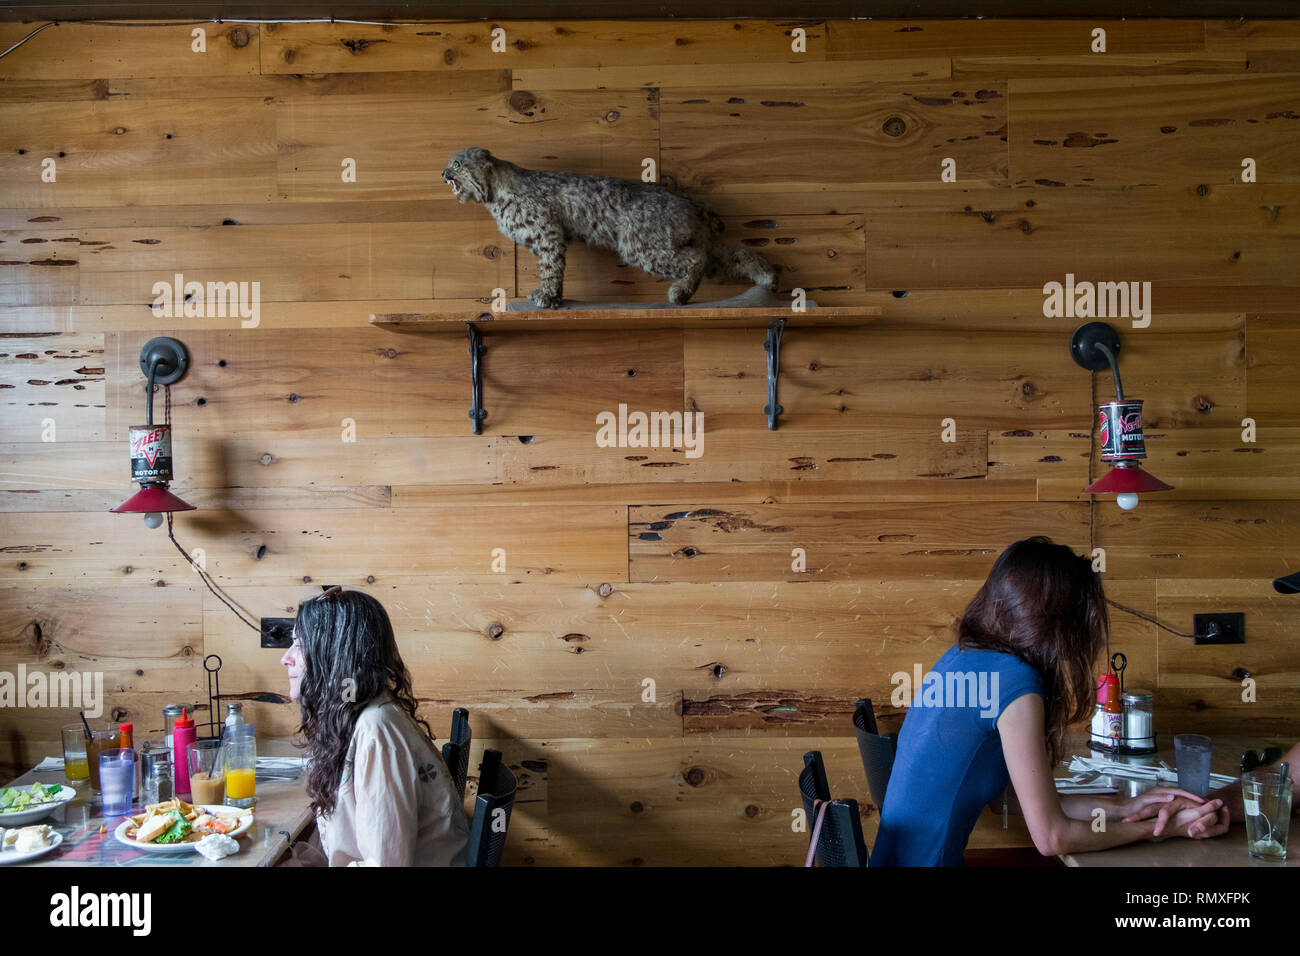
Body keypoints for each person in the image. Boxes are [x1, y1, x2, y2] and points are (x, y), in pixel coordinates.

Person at [871, 536, 1230, 866]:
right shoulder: (1015, 683)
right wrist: (1164, 830)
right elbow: (1052, 837)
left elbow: (1007, 800)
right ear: (1062, 623)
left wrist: (1125, 809)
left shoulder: (961, 657)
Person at [281, 586, 469, 866]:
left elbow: (386, 863)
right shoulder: (361, 714)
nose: (285, 657)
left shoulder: (377, 731)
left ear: (333, 654)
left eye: (300, 644)